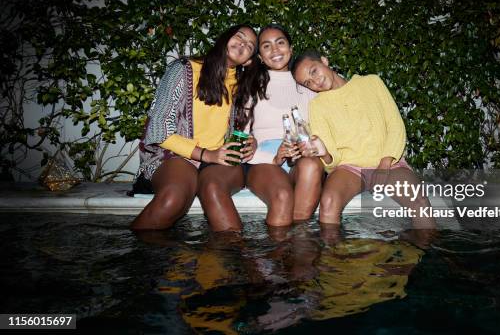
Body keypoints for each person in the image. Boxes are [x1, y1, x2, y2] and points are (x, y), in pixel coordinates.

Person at [130, 24, 258, 232]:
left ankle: (232, 258)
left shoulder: (242, 86)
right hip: (175, 155)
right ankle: (134, 259)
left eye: (250, 45)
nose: (243, 44)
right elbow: (158, 129)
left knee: (214, 189)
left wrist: (251, 141)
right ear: (225, 38)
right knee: (174, 197)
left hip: (220, 160)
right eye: (240, 37)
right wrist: (206, 155)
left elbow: (241, 129)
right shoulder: (184, 69)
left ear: (249, 59)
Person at [291, 50, 435, 230]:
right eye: (308, 83)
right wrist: (325, 153)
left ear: (324, 61)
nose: (315, 82)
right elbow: (331, 161)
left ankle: (426, 252)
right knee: (328, 202)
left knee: (420, 201)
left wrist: (385, 163)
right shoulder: (317, 105)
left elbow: (395, 125)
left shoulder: (371, 82)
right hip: (349, 168)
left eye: (314, 71)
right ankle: (331, 256)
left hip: (390, 163)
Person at [235, 24, 323, 226]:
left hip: (300, 161)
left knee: (312, 165)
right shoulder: (251, 85)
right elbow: (241, 137)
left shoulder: (308, 84)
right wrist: (275, 157)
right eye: (266, 46)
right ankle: (276, 256)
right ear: (260, 57)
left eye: (280, 43)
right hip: (263, 161)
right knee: (282, 195)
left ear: (291, 49)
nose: (275, 50)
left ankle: (297, 245)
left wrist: (307, 147)